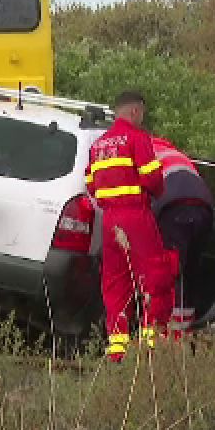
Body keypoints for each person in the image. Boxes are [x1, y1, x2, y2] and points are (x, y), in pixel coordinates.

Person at [85, 91, 168, 359]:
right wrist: (157, 191)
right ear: (135, 111)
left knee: (116, 283)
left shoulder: (98, 145)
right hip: (136, 215)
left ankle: (117, 348)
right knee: (155, 275)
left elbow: (90, 184)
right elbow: (153, 179)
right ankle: (151, 344)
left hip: (109, 221)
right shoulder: (137, 138)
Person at [151, 135, 214, 338]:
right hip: (204, 208)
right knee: (189, 271)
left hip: (173, 207)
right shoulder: (174, 153)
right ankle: (183, 331)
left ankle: (170, 335)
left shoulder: (139, 149)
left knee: (171, 271)